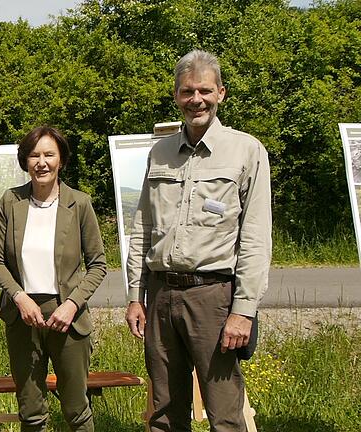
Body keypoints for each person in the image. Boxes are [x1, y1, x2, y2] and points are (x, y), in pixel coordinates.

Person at [125, 49, 272, 432]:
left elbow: (256, 238)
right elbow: (142, 227)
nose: (196, 100)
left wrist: (243, 310)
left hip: (214, 298)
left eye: (205, 90)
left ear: (221, 93)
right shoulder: (160, 153)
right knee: (164, 414)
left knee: (224, 414)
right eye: (187, 91)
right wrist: (134, 296)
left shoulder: (246, 151)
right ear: (176, 96)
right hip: (160, 295)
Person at [0, 126, 107, 432]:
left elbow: (98, 265)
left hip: (68, 317)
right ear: (25, 161)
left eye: (49, 155)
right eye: (34, 155)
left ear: (61, 160)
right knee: (30, 409)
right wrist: (19, 297)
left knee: (76, 408)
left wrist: (71, 305)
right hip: (22, 317)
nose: (41, 162)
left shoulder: (79, 204)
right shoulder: (10, 202)